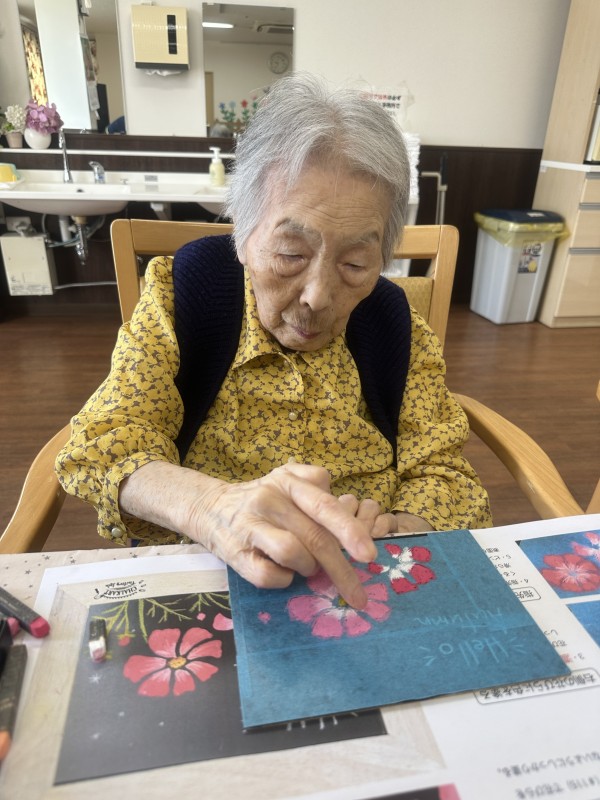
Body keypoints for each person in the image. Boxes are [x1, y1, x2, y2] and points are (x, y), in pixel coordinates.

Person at [56, 73, 491, 610]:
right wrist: (212, 507)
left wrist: (401, 528)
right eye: (290, 254)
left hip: (363, 584)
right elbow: (105, 442)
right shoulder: (185, 297)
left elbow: (442, 470)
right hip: (207, 578)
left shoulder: (394, 325)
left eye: (356, 264)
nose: (317, 296)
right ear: (243, 232)